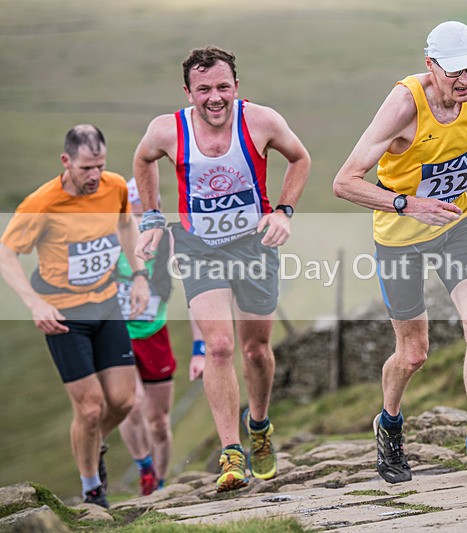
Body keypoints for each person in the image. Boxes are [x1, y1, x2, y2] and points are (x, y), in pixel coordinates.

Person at [333, 21, 467, 483]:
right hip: (399, 236)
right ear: (429, 65)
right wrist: (408, 203)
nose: (464, 81)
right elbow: (344, 183)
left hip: (457, 224)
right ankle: (389, 424)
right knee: (413, 353)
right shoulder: (403, 107)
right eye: (454, 71)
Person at [132, 46, 311, 492]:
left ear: (237, 86)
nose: (215, 98)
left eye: (223, 87)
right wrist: (153, 218)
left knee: (255, 352)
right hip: (199, 247)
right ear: (188, 92)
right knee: (217, 346)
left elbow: (300, 158)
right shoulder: (166, 130)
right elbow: (142, 160)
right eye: (204, 89)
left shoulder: (261, 121)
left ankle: (259, 426)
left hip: (255, 245)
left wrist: (283, 212)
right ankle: (231, 453)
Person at [0, 125, 148, 507]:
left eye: (100, 165)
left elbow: (126, 223)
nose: (94, 175)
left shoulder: (113, 186)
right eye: (86, 168)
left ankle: (93, 443)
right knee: (90, 407)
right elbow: (6, 253)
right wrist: (34, 303)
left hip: (106, 302)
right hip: (63, 314)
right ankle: (91, 489)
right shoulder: (41, 203)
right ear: (66, 162)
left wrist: (141, 275)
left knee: (124, 401)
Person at [115, 178, 206, 495]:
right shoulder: (111, 241)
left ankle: (161, 485)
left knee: (159, 422)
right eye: (132, 215)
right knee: (132, 404)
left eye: (145, 214)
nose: (139, 223)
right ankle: (144, 471)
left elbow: (195, 298)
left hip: (155, 335)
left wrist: (199, 349)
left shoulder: (171, 243)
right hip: (118, 337)